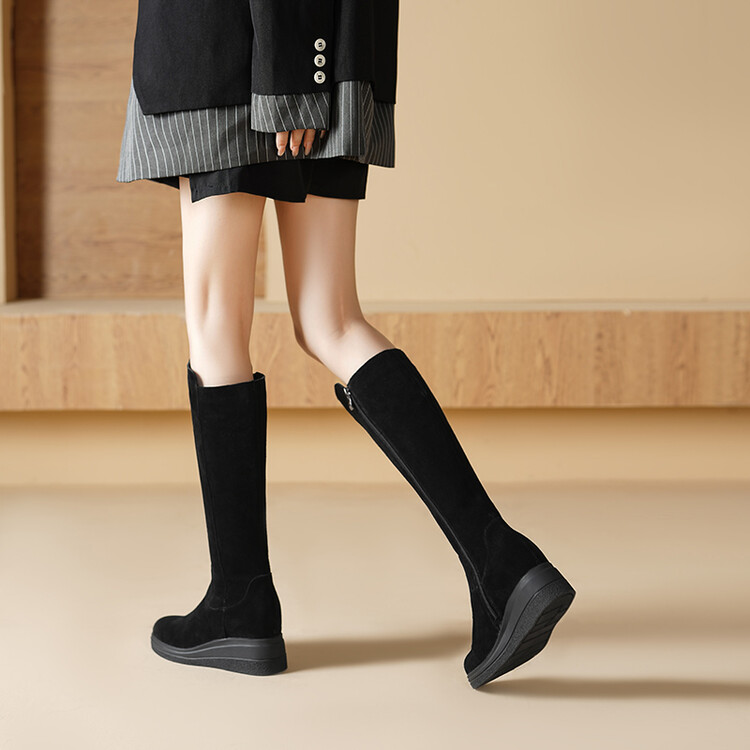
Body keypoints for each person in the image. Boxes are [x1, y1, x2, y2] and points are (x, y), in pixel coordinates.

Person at [116, 0, 575, 690]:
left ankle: (240, 603)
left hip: (233, 55)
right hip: (334, 49)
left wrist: (288, 76)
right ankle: (501, 564)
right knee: (329, 318)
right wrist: (310, 68)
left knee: (217, 326)